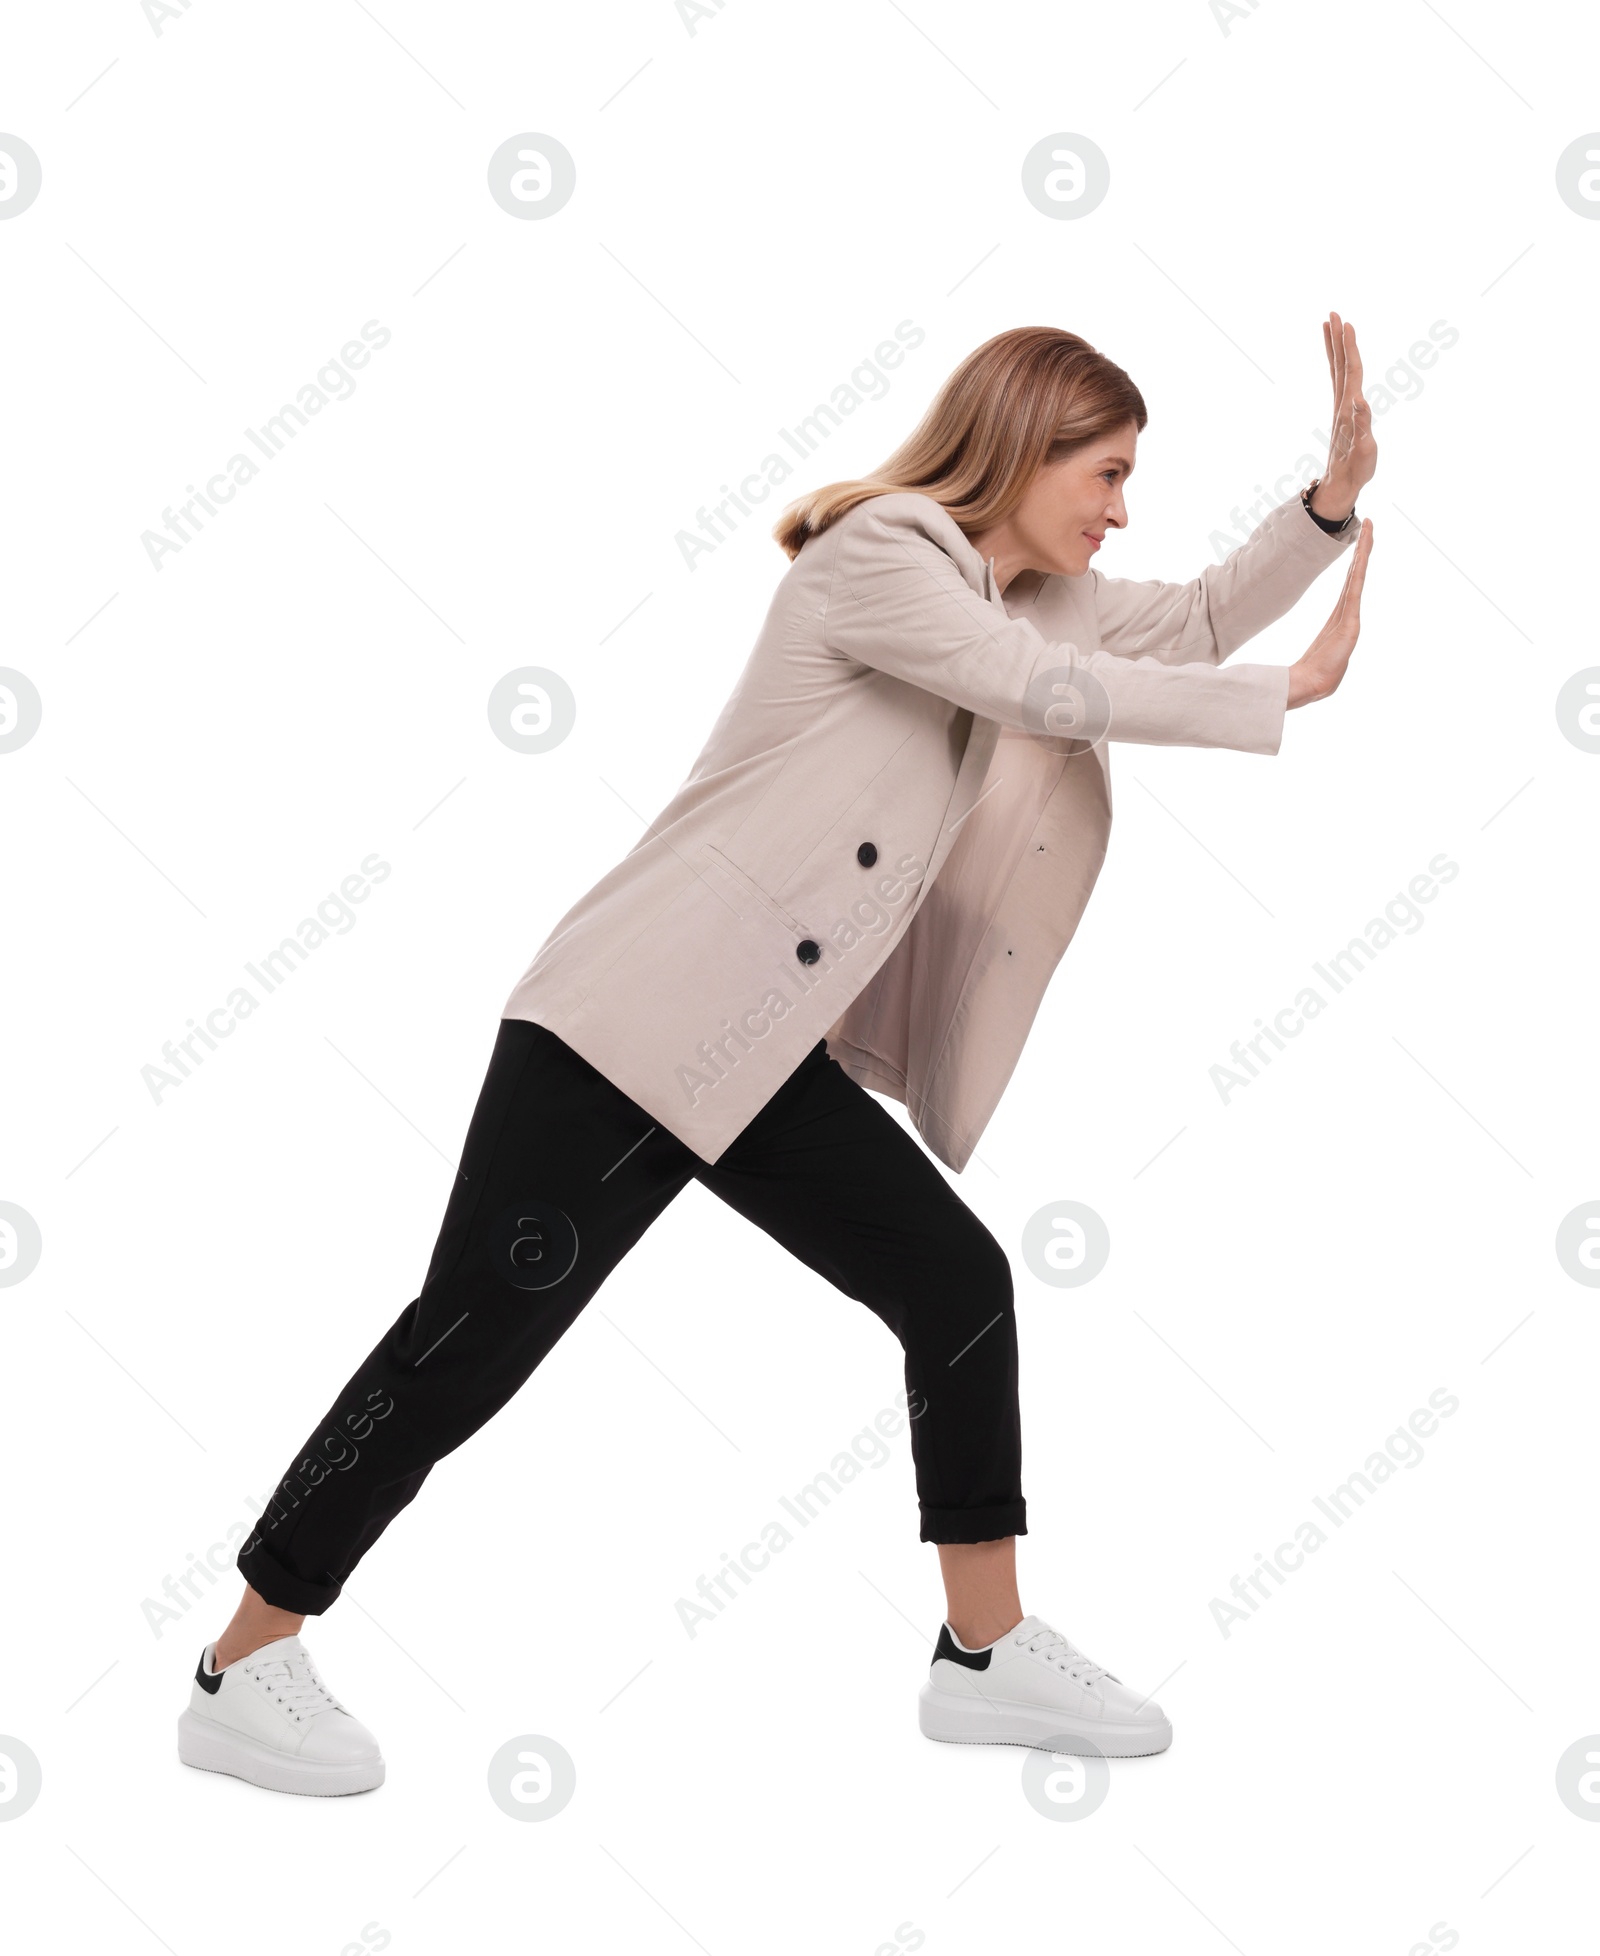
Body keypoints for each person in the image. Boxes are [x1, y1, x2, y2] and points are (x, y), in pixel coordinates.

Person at [178, 318, 1375, 1795]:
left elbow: (1182, 626)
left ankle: (983, 1652)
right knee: (469, 1343)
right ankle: (244, 1660)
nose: (1122, 509)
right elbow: (1031, 692)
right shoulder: (885, 553)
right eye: (1109, 472)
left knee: (954, 1280)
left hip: (756, 1057)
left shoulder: (1023, 600)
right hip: (630, 1024)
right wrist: (1287, 698)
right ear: (1023, 442)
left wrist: (1324, 512)